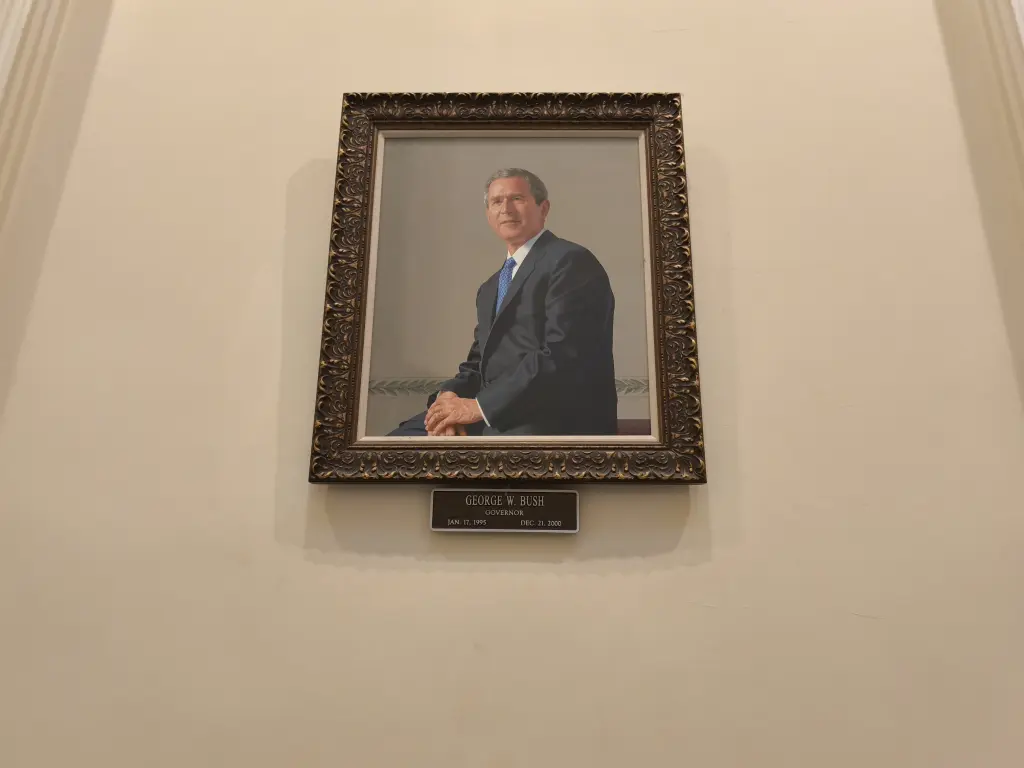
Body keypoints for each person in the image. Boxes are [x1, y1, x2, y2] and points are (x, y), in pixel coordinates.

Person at [387, 168, 618, 437]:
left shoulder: (570, 262)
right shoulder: (491, 287)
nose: (506, 209)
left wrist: (478, 407)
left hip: (552, 418)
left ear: (543, 208)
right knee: (398, 441)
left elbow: (563, 356)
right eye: (497, 202)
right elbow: (479, 364)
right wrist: (448, 399)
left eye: (517, 198)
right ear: (488, 214)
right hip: (494, 413)